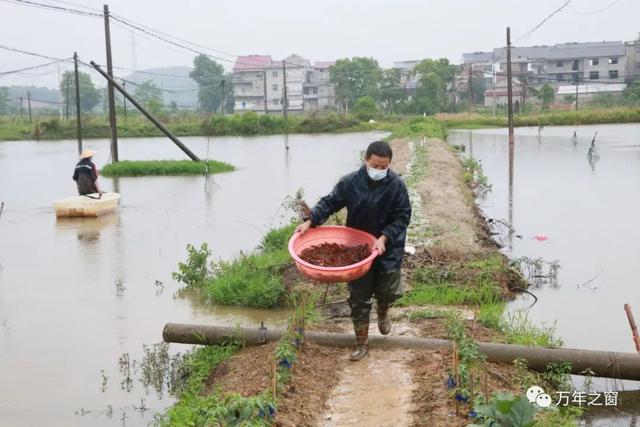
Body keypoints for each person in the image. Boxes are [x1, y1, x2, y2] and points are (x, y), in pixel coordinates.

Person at [296, 140, 411, 361]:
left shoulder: (396, 185)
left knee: (387, 289)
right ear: (366, 160)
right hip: (358, 249)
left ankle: (383, 309)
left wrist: (384, 237)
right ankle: (362, 344)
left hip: (387, 246)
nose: (379, 170)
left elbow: (402, 216)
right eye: (375, 165)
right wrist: (310, 221)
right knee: (359, 296)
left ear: (389, 165)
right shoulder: (350, 182)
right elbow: (329, 203)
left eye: (384, 167)